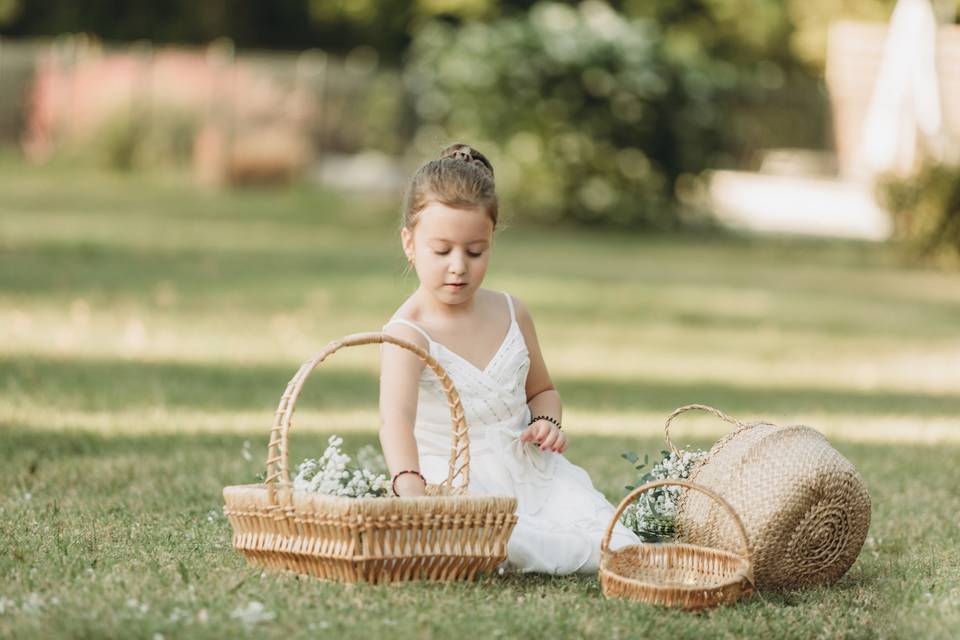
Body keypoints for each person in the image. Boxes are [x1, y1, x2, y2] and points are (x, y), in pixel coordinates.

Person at [378, 143, 639, 574]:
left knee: (614, 540)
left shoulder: (513, 312)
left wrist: (547, 423)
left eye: (475, 251)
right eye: (441, 251)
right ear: (410, 243)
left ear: (491, 241)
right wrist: (412, 493)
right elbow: (395, 421)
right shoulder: (409, 332)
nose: (458, 267)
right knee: (500, 539)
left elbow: (543, 391)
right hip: (459, 480)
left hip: (534, 472)